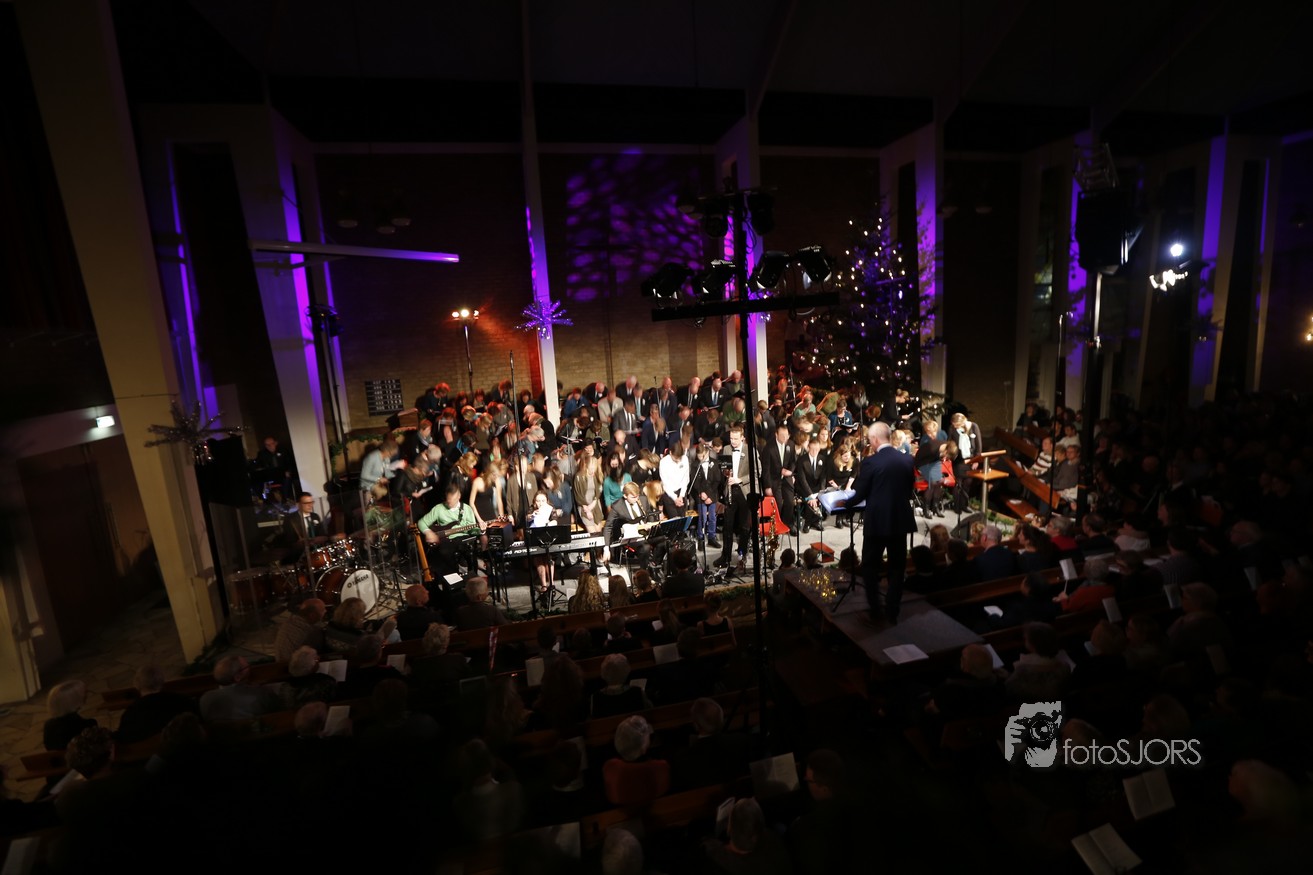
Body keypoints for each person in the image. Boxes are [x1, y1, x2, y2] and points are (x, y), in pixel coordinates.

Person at [848, 421, 917, 624]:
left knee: (870, 567)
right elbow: (909, 489)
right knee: (897, 567)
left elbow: (860, 493)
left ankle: (876, 610)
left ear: (875, 439)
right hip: (899, 521)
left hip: (878, 522)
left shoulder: (871, 462)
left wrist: (844, 503)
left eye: (870, 439)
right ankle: (892, 611)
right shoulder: (907, 460)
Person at [715, 425, 757, 569]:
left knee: (744, 526)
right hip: (730, 491)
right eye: (731, 438)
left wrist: (740, 479)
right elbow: (723, 468)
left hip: (744, 492)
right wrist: (725, 473)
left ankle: (741, 554)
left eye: (735, 439)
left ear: (742, 438)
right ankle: (725, 556)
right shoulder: (726, 449)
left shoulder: (750, 451)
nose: (732, 441)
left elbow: (757, 471)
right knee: (727, 525)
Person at [198, 655, 282, 723]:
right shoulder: (260, 694)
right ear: (237, 677)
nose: (250, 668)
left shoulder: (205, 698)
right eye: (247, 666)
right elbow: (278, 712)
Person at [689, 441, 724, 549]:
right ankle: (700, 537)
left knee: (712, 517)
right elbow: (694, 482)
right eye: (699, 456)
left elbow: (717, 481)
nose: (700, 459)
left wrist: (709, 496)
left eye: (702, 456)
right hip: (700, 495)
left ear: (707, 453)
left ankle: (712, 537)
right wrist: (701, 493)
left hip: (712, 495)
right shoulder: (695, 465)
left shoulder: (714, 463)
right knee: (703, 517)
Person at [274, 597, 326, 662]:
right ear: (312, 615)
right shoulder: (311, 631)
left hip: (279, 663)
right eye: (323, 610)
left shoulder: (289, 622)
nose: (325, 611)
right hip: (292, 665)